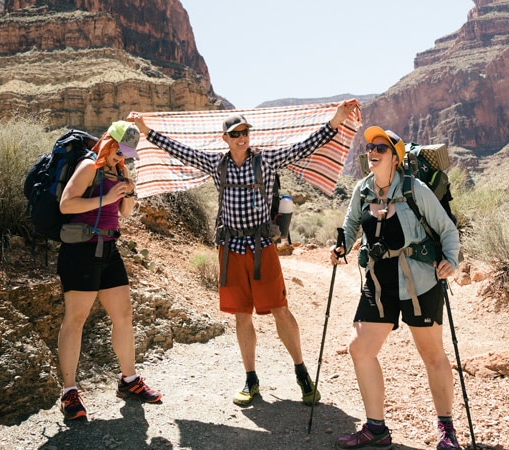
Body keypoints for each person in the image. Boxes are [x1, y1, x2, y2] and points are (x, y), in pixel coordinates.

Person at [128, 100, 360, 407]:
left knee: (280, 309)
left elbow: (306, 146)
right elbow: (179, 150)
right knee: (241, 315)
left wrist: (336, 120)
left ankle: (302, 374)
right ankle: (251, 380)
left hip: (262, 248)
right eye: (235, 133)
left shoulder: (266, 160)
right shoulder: (217, 164)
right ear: (225, 138)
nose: (241, 137)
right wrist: (146, 130)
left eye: (245, 132)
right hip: (230, 250)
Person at [330, 126, 462, 449]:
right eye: (370, 147)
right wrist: (341, 247)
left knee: (432, 354)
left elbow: (447, 229)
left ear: (395, 157)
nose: (372, 152)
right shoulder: (362, 190)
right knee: (360, 348)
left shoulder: (415, 190)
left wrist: (451, 261)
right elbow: (349, 226)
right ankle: (376, 428)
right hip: (379, 281)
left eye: (381, 148)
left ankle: (447, 430)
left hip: (420, 280)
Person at [56, 121, 161, 420]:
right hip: (81, 250)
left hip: (109, 248)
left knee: (124, 316)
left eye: (127, 155)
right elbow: (66, 205)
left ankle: (129, 380)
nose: (122, 159)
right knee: (75, 320)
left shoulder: (120, 170)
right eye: (120, 153)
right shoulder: (89, 166)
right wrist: (106, 197)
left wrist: (127, 192)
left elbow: (125, 214)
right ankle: (69, 392)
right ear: (109, 143)